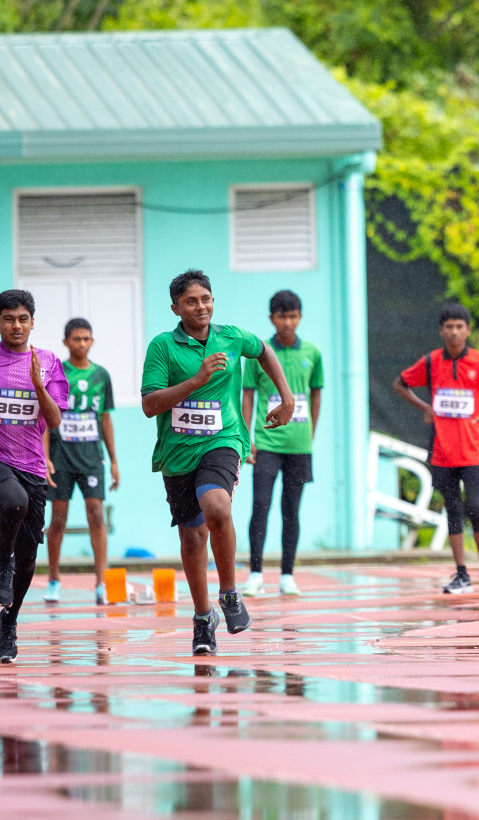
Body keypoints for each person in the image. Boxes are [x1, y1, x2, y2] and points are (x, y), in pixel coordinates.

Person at [141, 269, 297, 656]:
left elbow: (263, 350)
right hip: (178, 454)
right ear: (176, 307)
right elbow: (149, 405)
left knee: (216, 505)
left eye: (206, 299)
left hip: (224, 439)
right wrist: (196, 380)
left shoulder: (231, 336)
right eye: (192, 301)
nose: (201, 306)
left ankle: (229, 593)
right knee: (192, 537)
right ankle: (201, 617)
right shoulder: (162, 346)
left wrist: (287, 398)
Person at [393, 304, 479, 594]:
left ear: (467, 330)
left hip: (472, 450)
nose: (454, 332)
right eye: (449, 327)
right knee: (452, 510)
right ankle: (462, 574)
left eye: (459, 326)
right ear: (441, 331)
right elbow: (401, 384)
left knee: (476, 508)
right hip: (442, 451)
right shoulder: (431, 362)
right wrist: (425, 407)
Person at [241, 290, 323, 597]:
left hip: (299, 445)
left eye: (292, 316)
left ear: (300, 317)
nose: (287, 322)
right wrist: (248, 438)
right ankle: (256, 574)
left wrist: (311, 433)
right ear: (271, 318)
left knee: (292, 509)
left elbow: (316, 393)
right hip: (266, 444)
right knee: (260, 506)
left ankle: (287, 574)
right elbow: (248, 395)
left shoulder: (313, 353)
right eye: (281, 316)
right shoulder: (259, 353)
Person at [0, 291, 67, 663]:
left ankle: (8, 626)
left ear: (32, 322)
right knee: (13, 501)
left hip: (31, 466)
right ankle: (2, 562)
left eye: (22, 318)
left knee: (29, 557)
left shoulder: (49, 362)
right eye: (8, 318)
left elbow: (54, 420)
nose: (16, 325)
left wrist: (39, 384)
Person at [41, 318, 118, 606]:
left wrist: (113, 461)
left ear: (92, 341)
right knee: (58, 519)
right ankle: (53, 579)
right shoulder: (57, 373)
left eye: (86, 338)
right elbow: (46, 420)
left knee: (96, 513)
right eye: (76, 339)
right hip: (61, 457)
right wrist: (45, 457)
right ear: (66, 342)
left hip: (91, 459)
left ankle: (100, 583)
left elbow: (106, 419)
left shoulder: (101, 375)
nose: (82, 344)